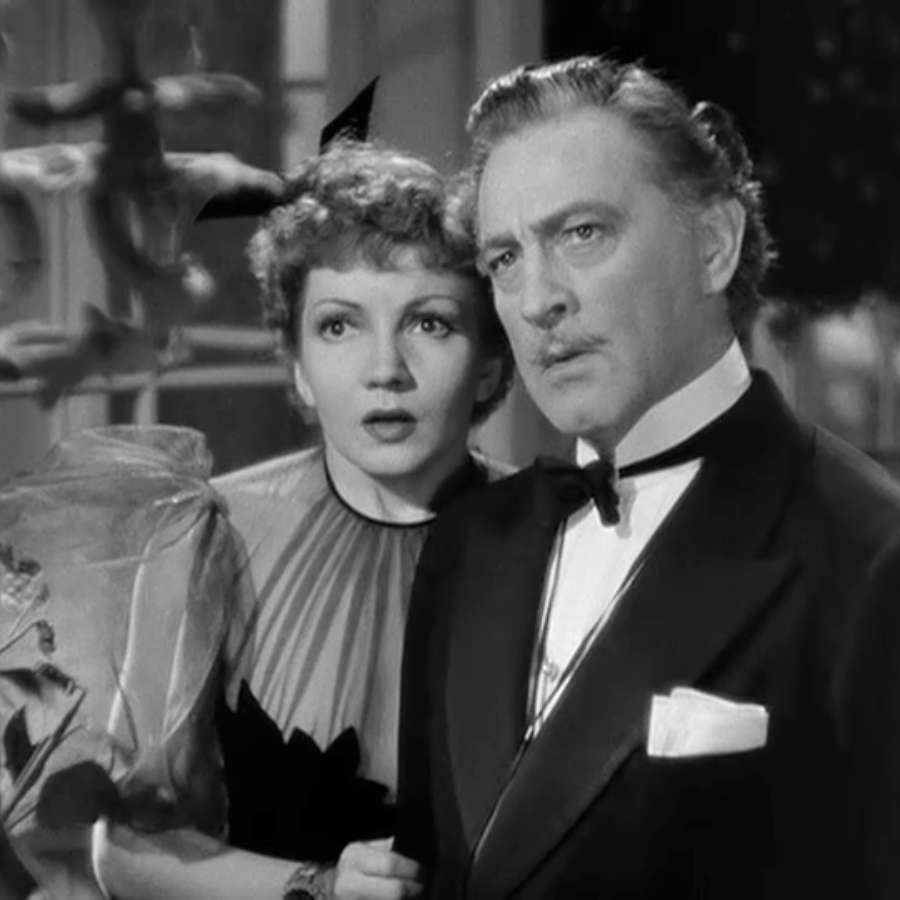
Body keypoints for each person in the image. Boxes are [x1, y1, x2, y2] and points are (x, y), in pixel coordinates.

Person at [393, 55, 900, 899]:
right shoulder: (469, 542)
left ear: (714, 245)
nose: (537, 300)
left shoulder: (870, 555)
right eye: (504, 259)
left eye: (582, 234)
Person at [91, 141, 513, 900]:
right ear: (296, 367)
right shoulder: (206, 539)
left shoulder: (560, 537)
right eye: (339, 327)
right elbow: (123, 847)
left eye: (429, 324)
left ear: (489, 362)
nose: (385, 370)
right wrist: (312, 888)